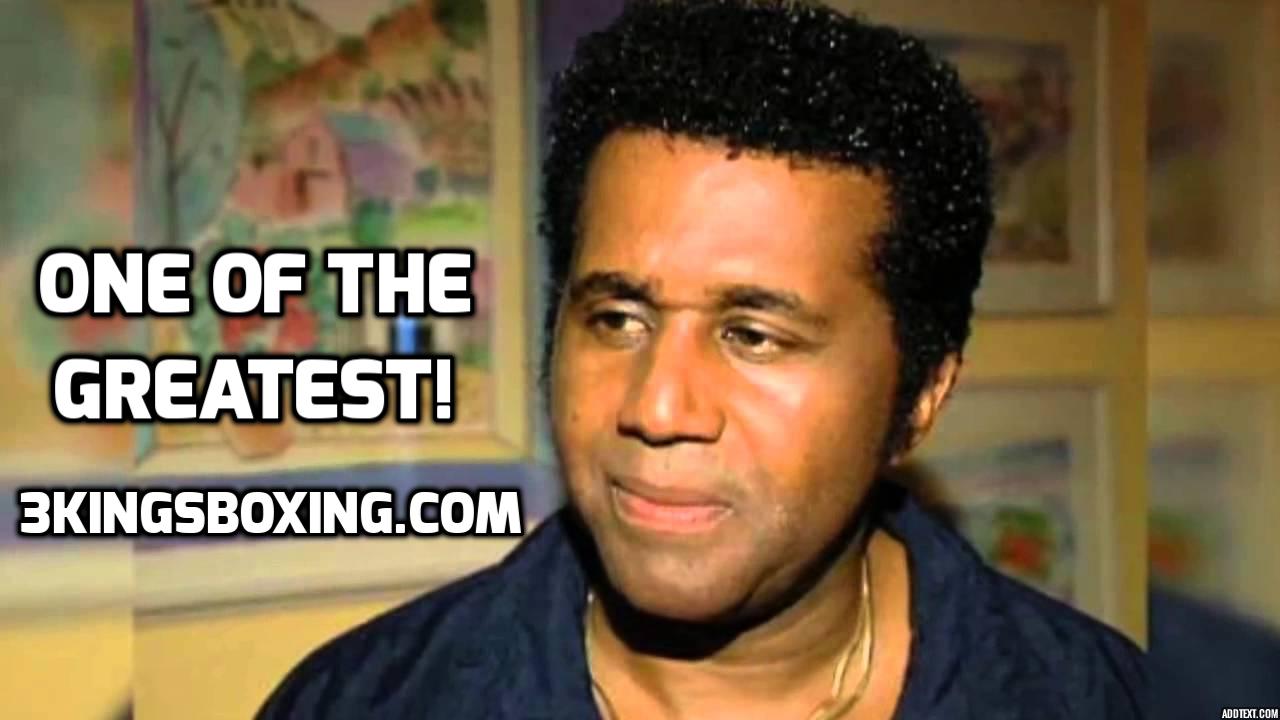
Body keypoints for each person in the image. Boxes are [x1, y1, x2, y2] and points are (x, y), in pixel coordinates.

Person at [257, 1, 1147, 717]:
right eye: (617, 319)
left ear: (920, 395)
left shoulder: (1102, 699)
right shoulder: (361, 703)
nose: (658, 406)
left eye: (753, 336)